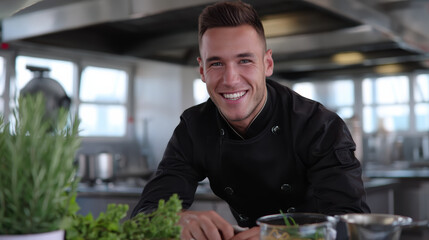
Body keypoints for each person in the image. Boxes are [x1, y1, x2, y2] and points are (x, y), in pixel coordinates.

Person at [131, 1, 370, 239]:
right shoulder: (194, 128)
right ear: (202, 71)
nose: (231, 79)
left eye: (244, 60)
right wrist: (175, 218)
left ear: (267, 64)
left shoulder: (319, 125)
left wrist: (281, 235)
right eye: (216, 63)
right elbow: (144, 214)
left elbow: (351, 224)